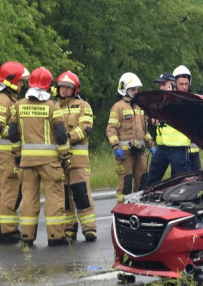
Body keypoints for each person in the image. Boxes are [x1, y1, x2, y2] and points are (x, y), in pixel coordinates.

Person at [8, 66, 70, 246]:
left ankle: (27, 236)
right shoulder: (52, 106)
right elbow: (60, 134)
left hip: (26, 162)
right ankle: (56, 236)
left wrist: (17, 156)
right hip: (50, 163)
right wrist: (65, 156)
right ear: (48, 86)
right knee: (54, 198)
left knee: (28, 199)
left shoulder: (18, 106)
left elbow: (13, 133)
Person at [0, 61, 29, 243]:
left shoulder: (8, 98)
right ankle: (8, 230)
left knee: (5, 189)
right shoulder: (4, 99)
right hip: (8, 153)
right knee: (12, 191)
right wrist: (15, 135)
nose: (22, 85)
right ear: (12, 81)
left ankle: (1, 228)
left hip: (6, 152)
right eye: (20, 81)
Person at [57, 70, 97, 241]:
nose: (64, 90)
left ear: (75, 89)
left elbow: (85, 128)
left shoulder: (83, 106)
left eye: (68, 87)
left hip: (78, 162)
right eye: (62, 87)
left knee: (82, 195)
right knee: (65, 197)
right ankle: (69, 228)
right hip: (59, 160)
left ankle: (89, 229)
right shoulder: (53, 106)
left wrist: (66, 137)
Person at [106, 72, 153, 202]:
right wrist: (116, 146)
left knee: (143, 180)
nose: (136, 92)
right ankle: (122, 210)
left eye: (137, 89)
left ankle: (139, 209)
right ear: (124, 89)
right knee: (125, 184)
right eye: (133, 89)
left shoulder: (139, 107)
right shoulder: (118, 107)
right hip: (125, 153)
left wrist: (151, 145)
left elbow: (145, 130)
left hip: (140, 152)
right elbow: (111, 129)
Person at [147, 72, 194, 184]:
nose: (161, 87)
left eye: (163, 84)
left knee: (183, 182)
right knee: (152, 180)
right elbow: (153, 119)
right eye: (160, 85)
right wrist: (154, 119)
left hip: (179, 149)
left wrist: (172, 96)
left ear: (172, 85)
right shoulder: (161, 101)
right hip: (162, 147)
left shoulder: (183, 99)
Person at [172, 64, 201, 169]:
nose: (184, 87)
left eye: (186, 84)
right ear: (174, 84)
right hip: (178, 151)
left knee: (198, 178)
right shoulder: (170, 102)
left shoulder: (194, 101)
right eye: (181, 84)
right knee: (178, 180)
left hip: (194, 151)